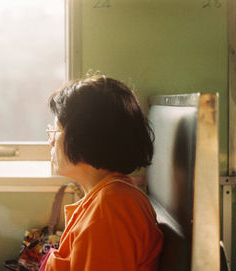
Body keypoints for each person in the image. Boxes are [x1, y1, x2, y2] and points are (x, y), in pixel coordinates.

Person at [41, 75, 163, 271]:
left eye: (55, 131)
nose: (51, 141)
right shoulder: (106, 198)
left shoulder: (109, 212)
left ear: (83, 137)